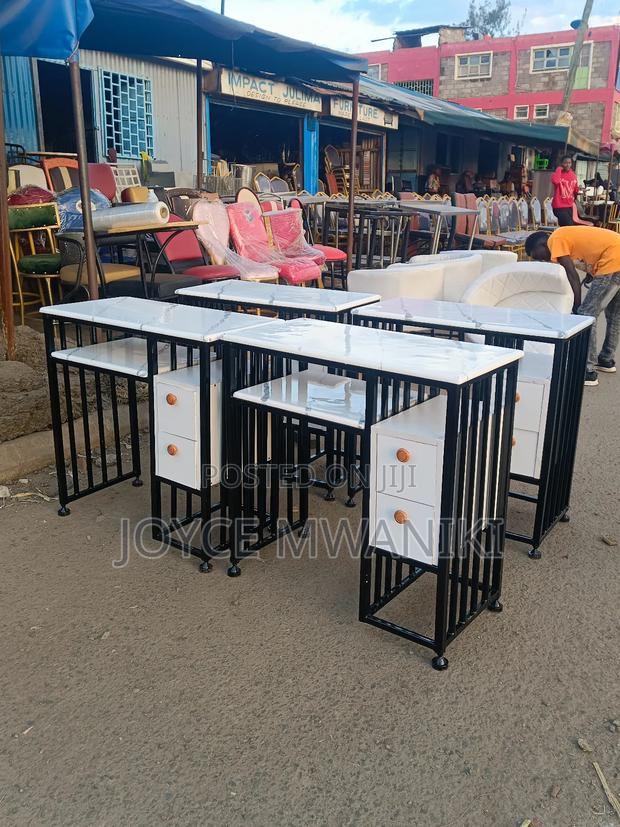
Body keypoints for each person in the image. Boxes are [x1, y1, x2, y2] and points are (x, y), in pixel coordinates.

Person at [525, 226, 620, 386]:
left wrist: (577, 307)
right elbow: (591, 249)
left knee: (586, 315)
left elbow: (573, 276)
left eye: (537, 256)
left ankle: (588, 371)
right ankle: (606, 359)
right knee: (614, 315)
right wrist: (591, 273)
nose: (541, 260)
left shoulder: (554, 240)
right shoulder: (563, 236)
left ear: (542, 245)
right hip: (615, 256)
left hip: (612, 260)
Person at [551, 155, 579, 226]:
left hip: (569, 206)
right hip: (559, 206)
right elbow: (556, 182)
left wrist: (578, 190)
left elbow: (575, 189)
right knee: (569, 227)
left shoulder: (573, 175)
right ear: (561, 164)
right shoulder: (556, 174)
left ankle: (561, 237)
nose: (567, 165)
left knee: (566, 228)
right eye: (565, 163)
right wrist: (558, 170)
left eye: (569, 163)